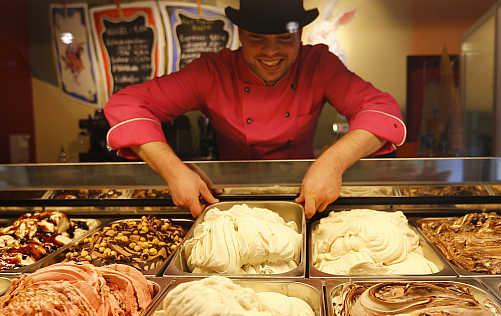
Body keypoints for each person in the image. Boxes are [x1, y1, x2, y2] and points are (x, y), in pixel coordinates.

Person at [104, 0, 406, 218]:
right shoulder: (212, 72)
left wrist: (333, 162)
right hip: (226, 201)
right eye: (256, 39)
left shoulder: (319, 65)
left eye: (285, 39)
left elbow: (382, 110)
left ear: (300, 35)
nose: (271, 51)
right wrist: (174, 170)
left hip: (306, 195)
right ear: (240, 36)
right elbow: (127, 103)